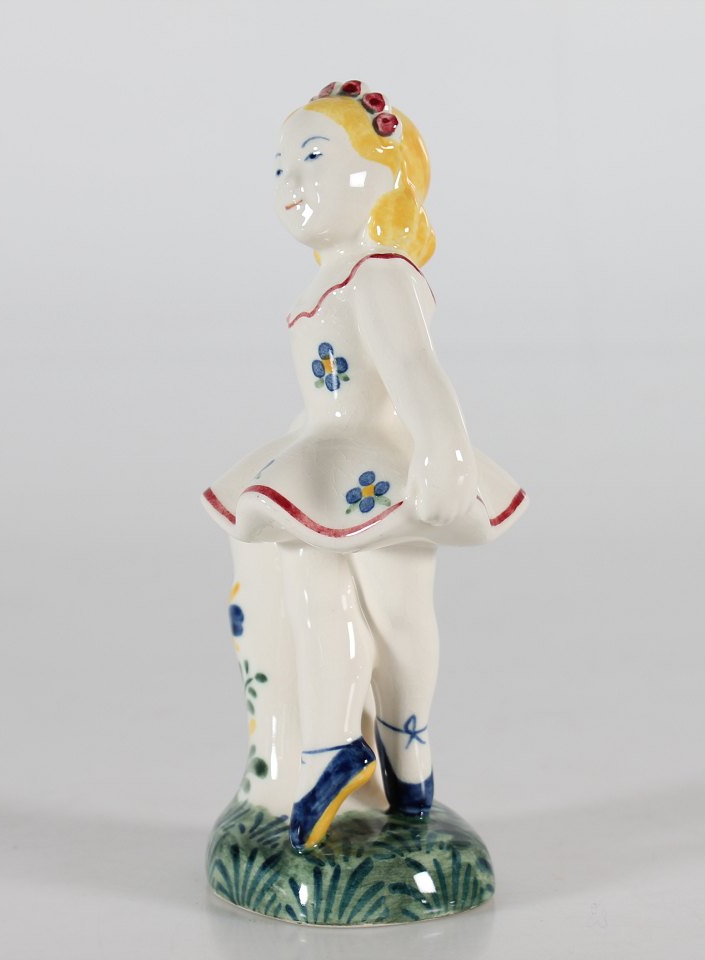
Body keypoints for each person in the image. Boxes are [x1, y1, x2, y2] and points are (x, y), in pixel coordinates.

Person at [202, 81, 526, 850]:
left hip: (379, 465)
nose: (290, 181)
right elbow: (327, 396)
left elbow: (413, 368)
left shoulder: (379, 271)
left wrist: (444, 454)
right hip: (323, 456)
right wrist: (281, 459)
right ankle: (332, 745)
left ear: (386, 175)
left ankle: (406, 750)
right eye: (280, 166)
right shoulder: (330, 276)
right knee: (315, 589)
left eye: (314, 158)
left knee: (397, 613)